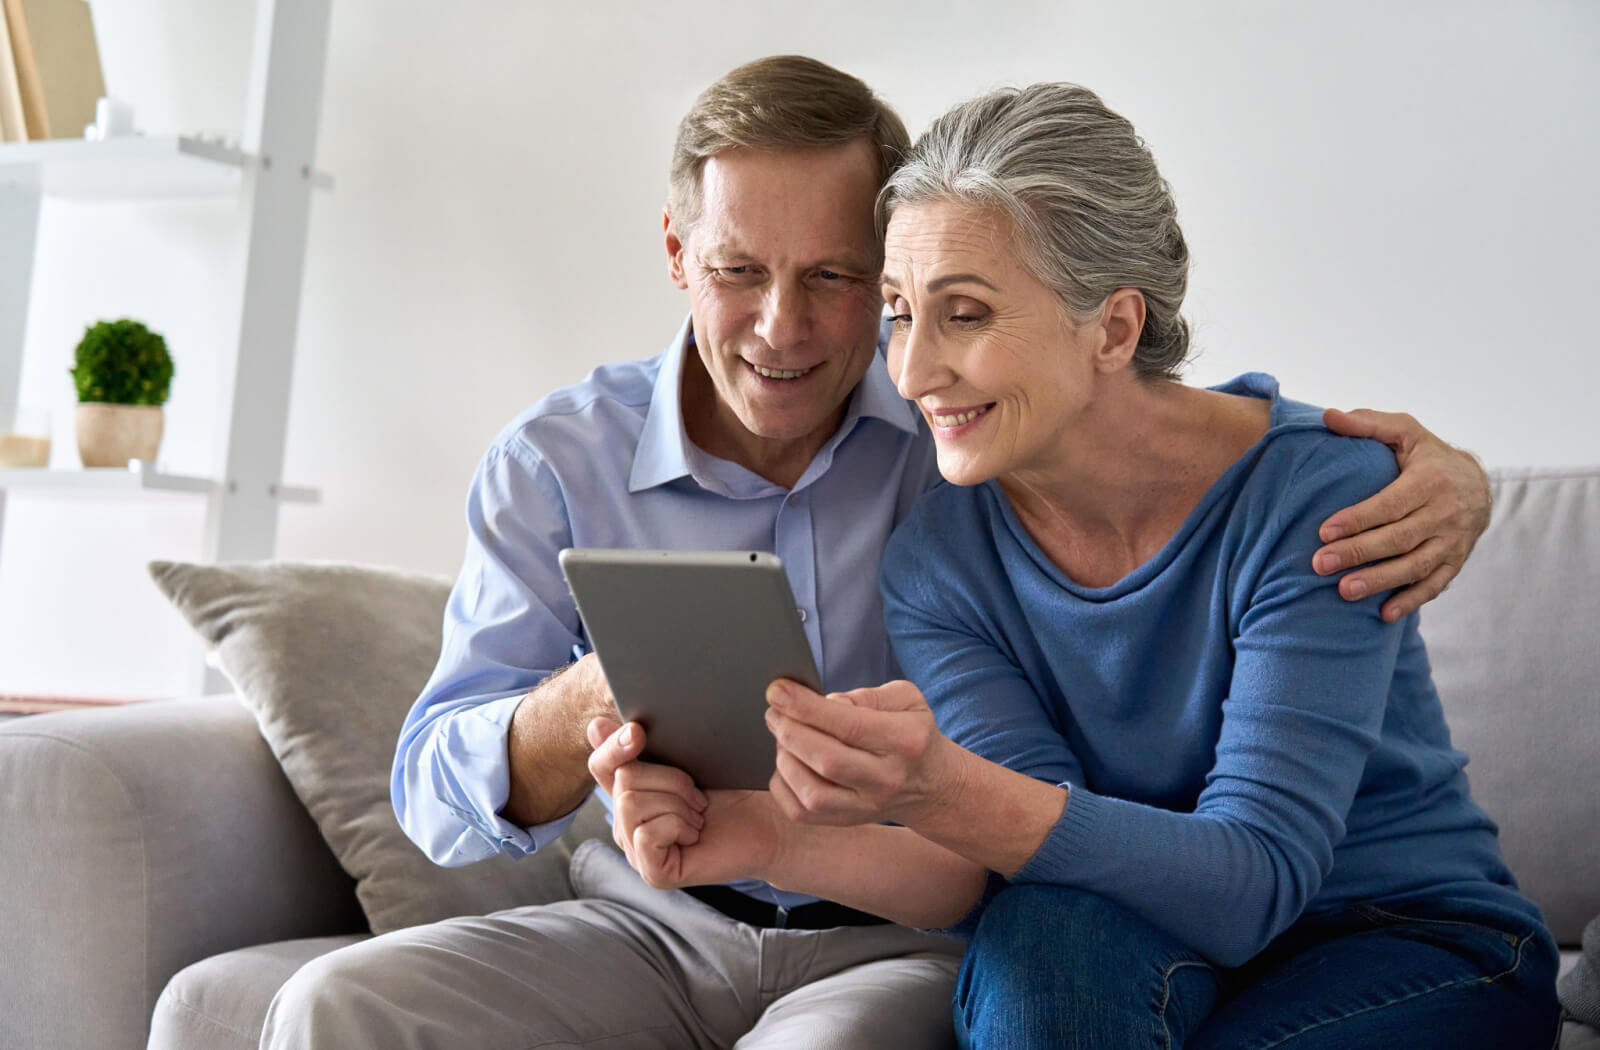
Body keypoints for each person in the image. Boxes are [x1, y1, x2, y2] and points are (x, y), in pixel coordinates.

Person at [262, 57, 1495, 1048]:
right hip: (710, 912)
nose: (806, 335)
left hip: (1154, 928)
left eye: (847, 284)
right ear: (678, 255)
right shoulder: (932, 527)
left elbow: (1196, 851)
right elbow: (435, 789)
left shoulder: (955, 451)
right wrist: (610, 695)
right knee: (333, 1005)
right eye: (741, 271)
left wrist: (1446, 473)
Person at [594, 82, 1560, 1050]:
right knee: (1045, 937)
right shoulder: (939, 559)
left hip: (1399, 942)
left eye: (963, 314)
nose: (913, 370)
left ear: (1113, 328)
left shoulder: (1318, 499)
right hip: (1130, 938)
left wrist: (939, 788)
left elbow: (1253, 881)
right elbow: (1026, 858)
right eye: (897, 311)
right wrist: (773, 834)